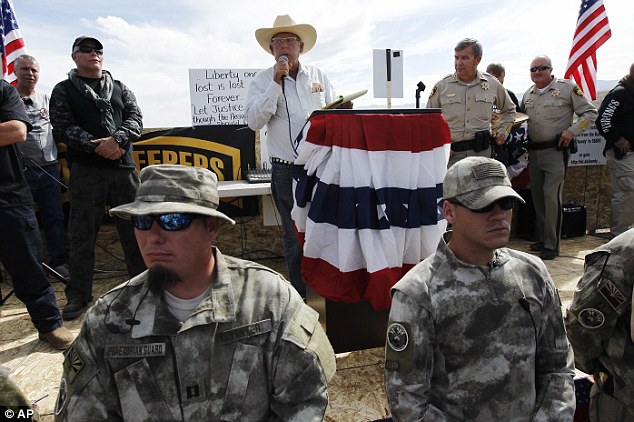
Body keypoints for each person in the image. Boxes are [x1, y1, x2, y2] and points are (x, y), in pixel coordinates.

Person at [54, 164, 336, 421]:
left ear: (211, 226)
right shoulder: (109, 320)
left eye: (172, 220)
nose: (152, 237)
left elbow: (304, 401)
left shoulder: (269, 300)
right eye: (142, 222)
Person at [384, 156, 576, 421]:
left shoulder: (531, 272)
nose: (499, 216)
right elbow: (407, 401)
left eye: (506, 203)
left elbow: (558, 366)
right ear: (449, 211)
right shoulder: (418, 293)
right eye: (483, 206)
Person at [50, 36, 146, 320]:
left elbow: (135, 118)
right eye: (86, 50)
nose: (93, 54)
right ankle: (78, 294)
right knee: (82, 234)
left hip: (123, 168)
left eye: (98, 50)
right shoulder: (63, 90)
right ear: (74, 56)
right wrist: (97, 145)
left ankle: (144, 289)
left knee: (136, 232)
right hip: (86, 171)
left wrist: (117, 139)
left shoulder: (120, 87)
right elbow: (63, 127)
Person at [246, 15, 337, 300]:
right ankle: (301, 298)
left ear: (300, 47)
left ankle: (326, 295)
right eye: (278, 42)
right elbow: (253, 122)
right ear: (272, 50)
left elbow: (334, 112)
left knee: (326, 230)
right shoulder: (262, 81)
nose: (284, 45)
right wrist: (275, 84)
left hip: (321, 167)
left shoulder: (318, 76)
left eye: (289, 41)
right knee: (294, 236)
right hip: (286, 171)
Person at [0, 79, 74, 349]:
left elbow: (16, 131)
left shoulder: (3, 90)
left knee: (28, 265)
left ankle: (50, 324)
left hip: (8, 196)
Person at [520, 55, 597, 260]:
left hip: (556, 152)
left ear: (551, 69)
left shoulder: (566, 89)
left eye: (541, 68)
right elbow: (519, 118)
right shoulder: (528, 94)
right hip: (534, 154)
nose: (537, 72)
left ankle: (552, 245)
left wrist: (572, 131)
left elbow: (590, 114)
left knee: (551, 197)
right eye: (533, 69)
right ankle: (544, 239)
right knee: (538, 198)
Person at [565, 228, 634, 421]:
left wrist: (595, 369)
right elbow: (584, 327)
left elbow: (581, 332)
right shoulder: (624, 257)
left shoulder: (623, 255)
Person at [15, 54, 70, 279]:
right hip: (20, 172)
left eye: (34, 70)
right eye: (25, 69)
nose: (30, 74)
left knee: (54, 217)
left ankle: (59, 262)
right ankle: (33, 266)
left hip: (48, 169)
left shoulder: (46, 99)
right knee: (26, 221)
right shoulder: (8, 100)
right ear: (15, 72)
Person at [426, 38, 516, 168]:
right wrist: (440, 144)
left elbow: (509, 110)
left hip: (482, 155)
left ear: (477, 59)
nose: (458, 63)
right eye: (456, 58)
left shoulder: (492, 84)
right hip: (451, 156)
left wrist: (503, 131)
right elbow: (429, 118)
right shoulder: (442, 86)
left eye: (464, 58)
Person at [595, 62, 634, 238]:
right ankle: (619, 236)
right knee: (627, 194)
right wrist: (617, 139)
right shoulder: (620, 93)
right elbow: (603, 119)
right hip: (624, 155)